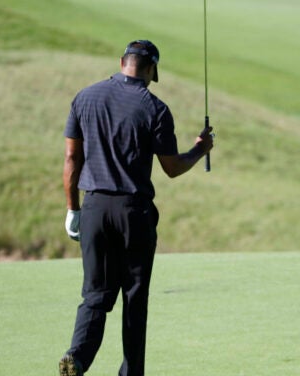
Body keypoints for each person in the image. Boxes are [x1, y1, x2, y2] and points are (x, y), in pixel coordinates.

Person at [59, 40, 213, 376]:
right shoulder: (155, 108)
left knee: (95, 294)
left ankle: (77, 357)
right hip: (133, 213)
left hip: (94, 208)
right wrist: (200, 149)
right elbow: (172, 168)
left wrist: (73, 209)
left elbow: (72, 158)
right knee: (134, 297)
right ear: (151, 70)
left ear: (122, 62)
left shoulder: (85, 97)